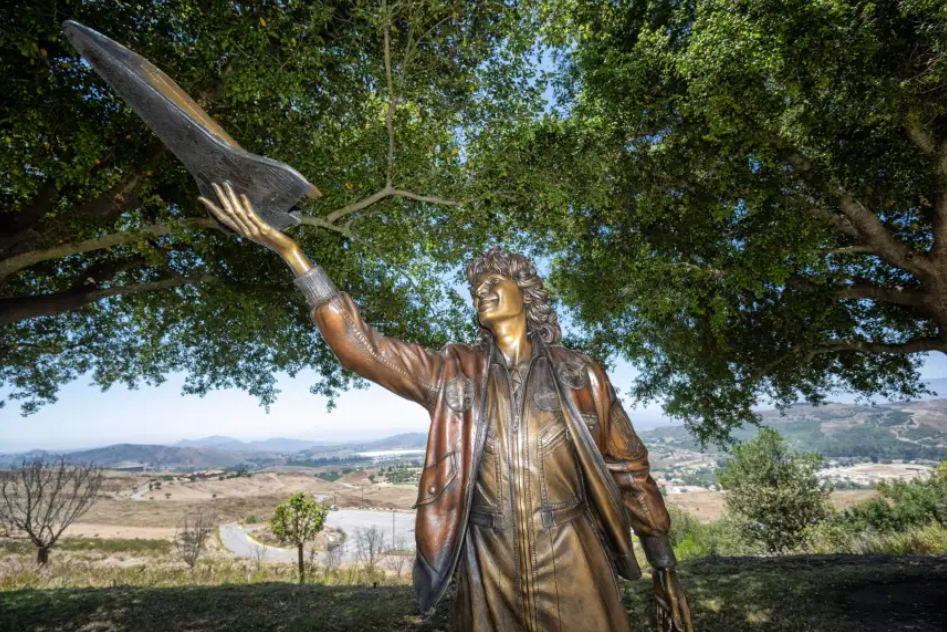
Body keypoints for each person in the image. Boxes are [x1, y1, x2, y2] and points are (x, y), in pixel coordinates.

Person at [200, 182, 693, 632]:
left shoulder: (581, 374)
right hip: (489, 562)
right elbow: (361, 347)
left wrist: (664, 567)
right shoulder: (454, 371)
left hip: (572, 554)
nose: (483, 290)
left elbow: (630, 470)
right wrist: (292, 253)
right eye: (476, 288)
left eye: (496, 282)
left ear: (528, 294)